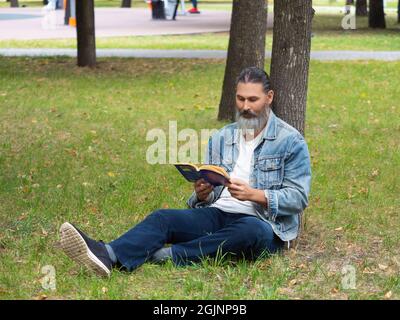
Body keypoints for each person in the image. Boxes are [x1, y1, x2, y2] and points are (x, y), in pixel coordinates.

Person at [59, 67, 312, 277]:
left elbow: (299, 197)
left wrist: (254, 194)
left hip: (262, 225)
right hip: (217, 214)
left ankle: (168, 255)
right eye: (240, 99)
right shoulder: (223, 137)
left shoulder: (290, 141)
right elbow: (212, 188)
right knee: (163, 218)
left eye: (252, 100)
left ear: (269, 97)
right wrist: (203, 195)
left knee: (250, 232)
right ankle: (108, 254)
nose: (245, 106)